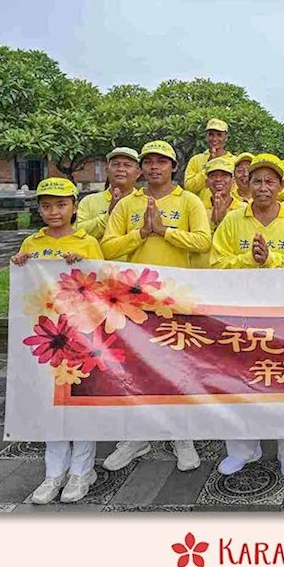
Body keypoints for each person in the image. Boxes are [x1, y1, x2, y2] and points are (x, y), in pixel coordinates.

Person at [100, 140, 212, 473]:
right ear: (141, 168)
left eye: (161, 162)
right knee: (137, 369)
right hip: (134, 301)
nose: (154, 167)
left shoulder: (189, 201)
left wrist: (166, 232)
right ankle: (138, 436)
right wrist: (140, 233)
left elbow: (203, 241)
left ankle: (182, 435)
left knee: (178, 369)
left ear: (173, 167)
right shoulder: (127, 204)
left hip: (176, 300)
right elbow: (107, 248)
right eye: (148, 162)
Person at [211, 154, 284, 477]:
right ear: (246, 185)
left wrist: (272, 259)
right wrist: (249, 259)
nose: (263, 187)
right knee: (241, 382)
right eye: (256, 181)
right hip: (241, 317)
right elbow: (216, 264)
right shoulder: (233, 220)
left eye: (270, 181)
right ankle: (243, 449)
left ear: (281, 185)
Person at [10, 177, 103, 504]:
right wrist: (20, 264)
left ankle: (82, 471)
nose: (54, 212)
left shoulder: (87, 243)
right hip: (45, 339)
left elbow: (100, 285)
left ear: (74, 207)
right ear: (39, 209)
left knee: (81, 403)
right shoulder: (31, 243)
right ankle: (54, 473)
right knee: (49, 404)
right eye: (47, 206)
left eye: (61, 205)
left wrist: (84, 266)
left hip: (79, 338)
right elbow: (26, 288)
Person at [76, 147, 141, 239]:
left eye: (127, 165)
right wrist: (109, 215)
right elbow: (77, 232)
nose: (120, 169)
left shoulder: (145, 201)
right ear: (107, 170)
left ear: (138, 173)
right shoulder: (89, 201)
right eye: (115, 164)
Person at [184, 118, 235, 197]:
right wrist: (208, 166)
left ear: (226, 137)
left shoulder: (235, 161)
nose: (214, 139)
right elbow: (189, 188)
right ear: (207, 136)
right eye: (211, 134)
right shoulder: (195, 160)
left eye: (219, 135)